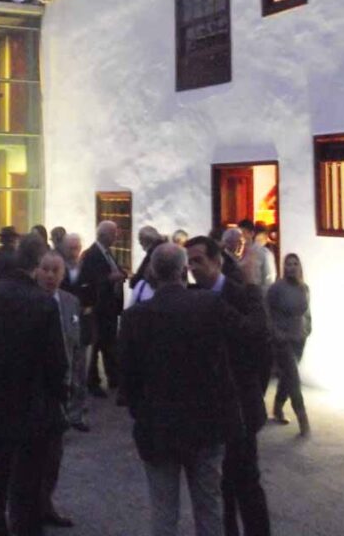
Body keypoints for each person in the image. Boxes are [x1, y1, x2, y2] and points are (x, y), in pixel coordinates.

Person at [119, 242, 243, 536]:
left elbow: (127, 379)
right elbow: (243, 340)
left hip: (158, 427)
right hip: (206, 425)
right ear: (183, 269)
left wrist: (142, 412)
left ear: (152, 271)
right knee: (208, 507)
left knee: (164, 512)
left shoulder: (135, 318)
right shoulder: (208, 305)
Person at [0, 234, 68, 536]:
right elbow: (56, 362)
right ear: (36, 266)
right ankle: (26, 527)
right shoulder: (43, 303)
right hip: (31, 400)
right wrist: (59, 394)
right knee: (29, 475)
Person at [186, 236, 271, 536]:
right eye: (190, 262)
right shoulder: (193, 298)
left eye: (199, 260)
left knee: (246, 483)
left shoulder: (239, 296)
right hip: (211, 412)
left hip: (241, 408)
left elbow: (261, 348)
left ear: (217, 261)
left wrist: (250, 395)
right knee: (218, 487)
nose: (193, 268)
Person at [26, 249, 77, 529]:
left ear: (63, 274)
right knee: (29, 458)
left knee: (53, 457)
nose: (49, 275)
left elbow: (76, 348)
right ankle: (25, 510)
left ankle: (46, 504)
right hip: (34, 393)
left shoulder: (70, 303)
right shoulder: (27, 303)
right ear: (36, 271)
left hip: (61, 393)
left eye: (55, 271)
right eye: (44, 269)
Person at [267, 253, 311, 434]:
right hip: (282, 338)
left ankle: (277, 408)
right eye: (288, 264)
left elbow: (307, 313)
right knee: (293, 378)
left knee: (287, 377)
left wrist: (308, 330)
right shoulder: (277, 288)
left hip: (298, 338)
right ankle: (303, 419)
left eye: (295, 264)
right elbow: (267, 311)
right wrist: (275, 332)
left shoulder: (305, 288)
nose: (291, 267)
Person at [81, 220, 126, 397]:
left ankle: (113, 377)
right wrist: (110, 278)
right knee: (97, 343)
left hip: (111, 307)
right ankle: (93, 382)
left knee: (109, 343)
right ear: (104, 235)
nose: (116, 237)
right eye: (114, 233)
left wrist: (120, 274)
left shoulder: (107, 253)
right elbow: (91, 279)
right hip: (99, 307)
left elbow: (115, 270)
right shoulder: (92, 254)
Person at [58, 233, 92, 431]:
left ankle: (77, 414)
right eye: (71, 247)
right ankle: (63, 413)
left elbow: (94, 292)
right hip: (62, 325)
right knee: (65, 371)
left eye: (76, 247)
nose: (74, 251)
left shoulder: (86, 268)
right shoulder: (58, 268)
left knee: (80, 371)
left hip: (82, 325)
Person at [130, 226, 166, 301]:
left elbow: (137, 279)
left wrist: (133, 279)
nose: (139, 243)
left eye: (140, 240)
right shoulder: (163, 249)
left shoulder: (154, 254)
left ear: (146, 240)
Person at [237, 220, 271, 288]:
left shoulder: (263, 252)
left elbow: (269, 277)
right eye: (239, 234)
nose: (241, 237)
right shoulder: (236, 252)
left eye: (244, 233)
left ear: (252, 234)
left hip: (257, 292)